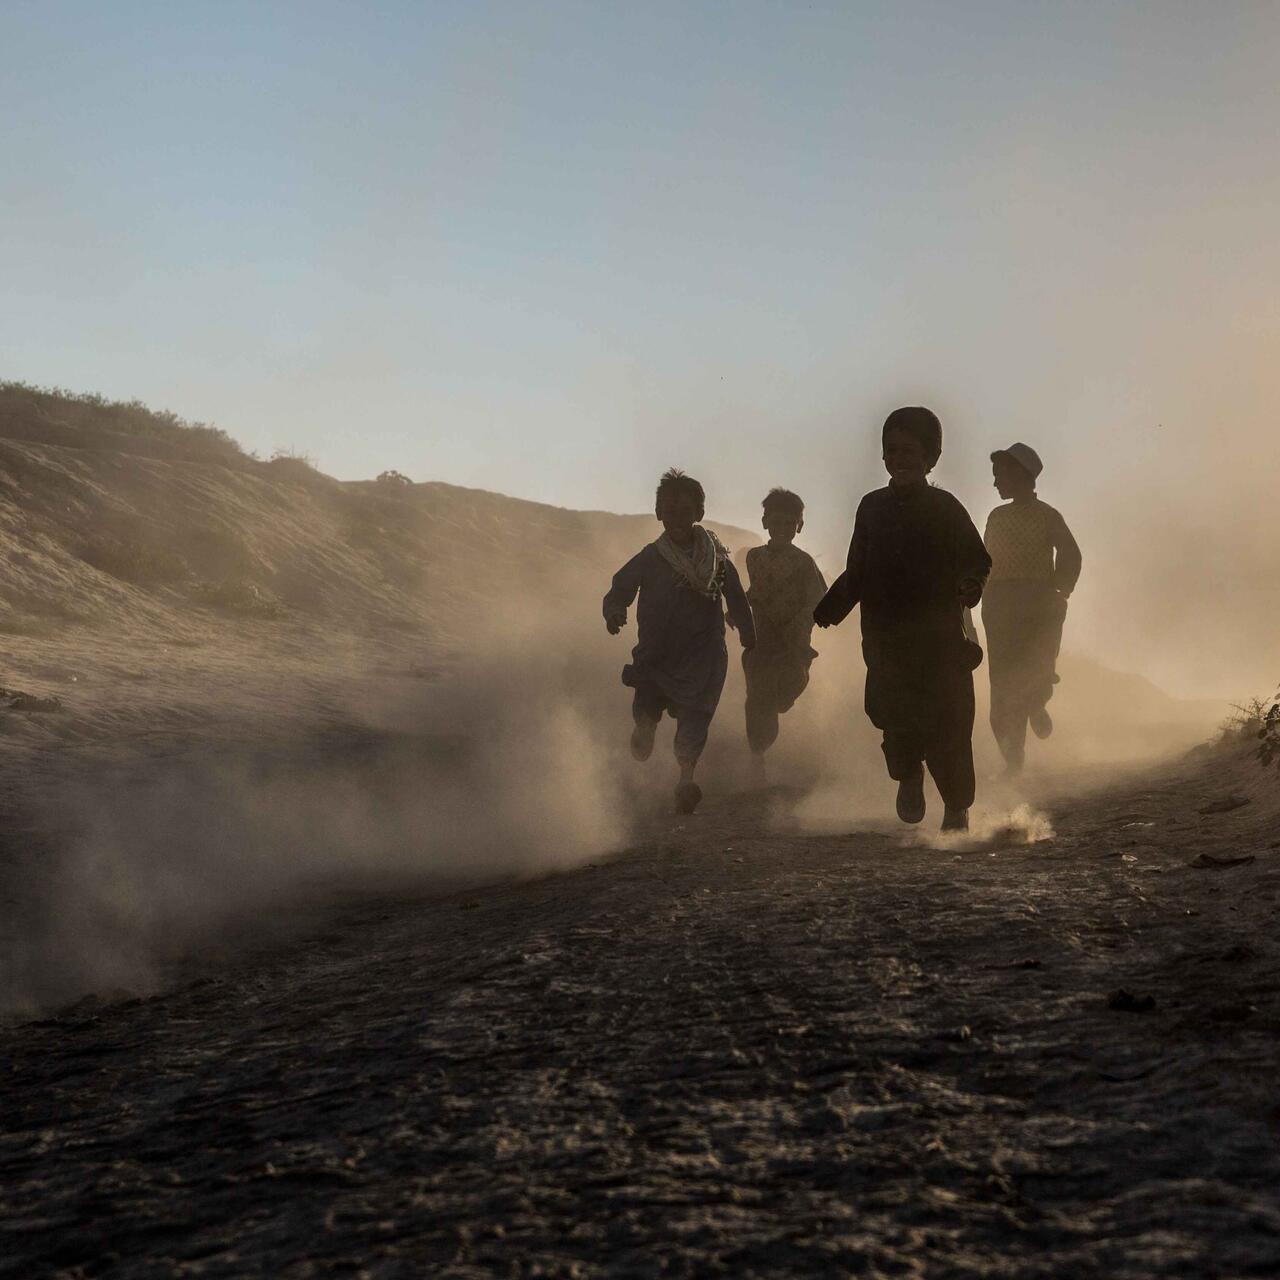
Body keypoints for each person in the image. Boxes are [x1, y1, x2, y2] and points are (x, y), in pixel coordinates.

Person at [814, 407, 991, 832]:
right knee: (894, 718)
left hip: (940, 641)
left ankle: (956, 806)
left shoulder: (946, 507)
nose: (900, 458)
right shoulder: (871, 508)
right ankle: (909, 777)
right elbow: (857, 569)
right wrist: (829, 608)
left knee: (948, 727)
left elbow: (975, 557)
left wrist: (971, 583)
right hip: (886, 639)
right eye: (891, 450)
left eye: (910, 450)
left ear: (931, 457)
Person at [603, 469, 755, 814]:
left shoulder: (716, 559)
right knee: (647, 703)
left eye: (685, 511)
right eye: (669, 511)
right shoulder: (650, 556)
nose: (676, 518)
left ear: (699, 514)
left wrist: (748, 631)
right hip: (658, 653)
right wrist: (614, 611)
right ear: (658, 513)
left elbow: (736, 597)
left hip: (703, 655)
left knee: (696, 716)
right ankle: (644, 727)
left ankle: (686, 779)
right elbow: (621, 586)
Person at [982, 442, 1082, 773]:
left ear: (1021, 475)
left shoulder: (1047, 516)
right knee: (1002, 686)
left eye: (1000, 475)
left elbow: (1070, 553)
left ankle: (1037, 704)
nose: (996, 482)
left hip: (1038, 605)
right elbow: (983, 562)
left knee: (1037, 669)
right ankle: (1013, 759)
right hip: (998, 606)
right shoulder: (996, 517)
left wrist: (1060, 590)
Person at [741, 488, 827, 777]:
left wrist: (803, 622)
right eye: (776, 522)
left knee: (792, 682)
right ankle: (757, 755)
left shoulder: (804, 562)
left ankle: (780, 703)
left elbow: (818, 596)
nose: (781, 529)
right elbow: (755, 591)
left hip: (794, 642)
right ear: (765, 522)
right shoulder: (754, 558)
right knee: (757, 697)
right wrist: (738, 610)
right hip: (761, 640)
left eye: (789, 523)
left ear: (799, 526)